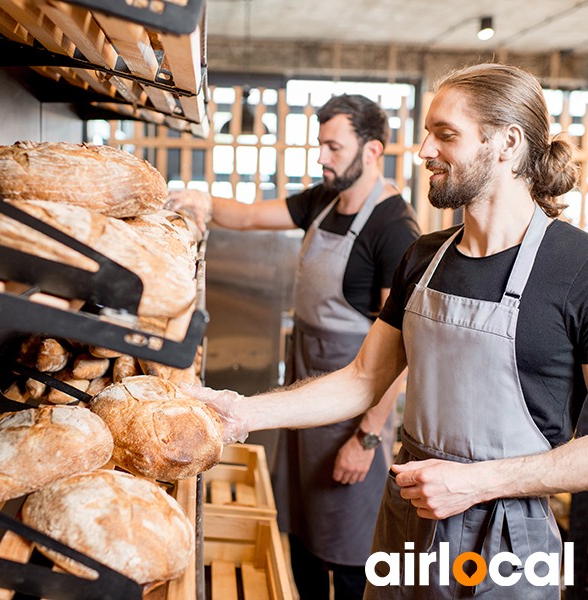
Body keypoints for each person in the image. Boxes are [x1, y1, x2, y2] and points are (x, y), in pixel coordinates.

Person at [182, 63, 588, 600]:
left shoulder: (576, 267)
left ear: (506, 143)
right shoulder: (424, 257)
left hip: (509, 541)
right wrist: (245, 412)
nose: (422, 151)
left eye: (445, 135)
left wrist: (475, 483)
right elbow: (364, 378)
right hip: (408, 523)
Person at [168, 94, 420, 600]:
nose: (322, 157)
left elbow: (401, 355)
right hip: (306, 391)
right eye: (320, 144)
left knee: (348, 550)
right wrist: (202, 203)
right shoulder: (323, 200)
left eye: (333, 146)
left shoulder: (395, 228)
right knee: (302, 534)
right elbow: (248, 217)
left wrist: (366, 439)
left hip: (353, 410)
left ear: (372, 150)